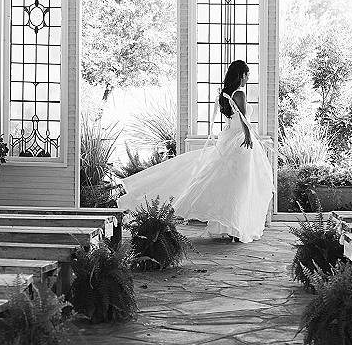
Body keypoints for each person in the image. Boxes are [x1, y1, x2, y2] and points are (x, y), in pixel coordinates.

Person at [117, 60, 274, 243]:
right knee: (240, 184)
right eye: (247, 75)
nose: (248, 78)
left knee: (233, 185)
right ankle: (234, 226)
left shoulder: (224, 94)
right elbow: (243, 117)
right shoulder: (239, 93)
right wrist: (248, 136)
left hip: (229, 136)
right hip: (239, 139)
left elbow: (233, 118)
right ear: (242, 75)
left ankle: (233, 226)